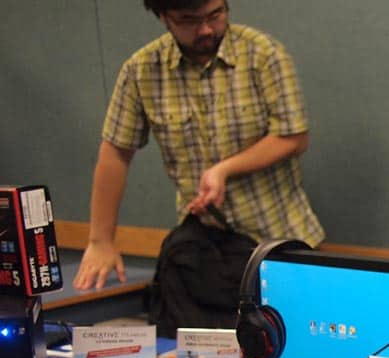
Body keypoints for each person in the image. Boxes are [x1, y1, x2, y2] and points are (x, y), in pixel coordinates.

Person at [74, 0, 324, 291]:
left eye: (215, 14)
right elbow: (115, 153)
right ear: (165, 18)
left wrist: (223, 170)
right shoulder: (142, 70)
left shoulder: (263, 54)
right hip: (206, 250)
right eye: (189, 20)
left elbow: (293, 137)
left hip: (278, 242)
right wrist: (100, 241)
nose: (206, 29)